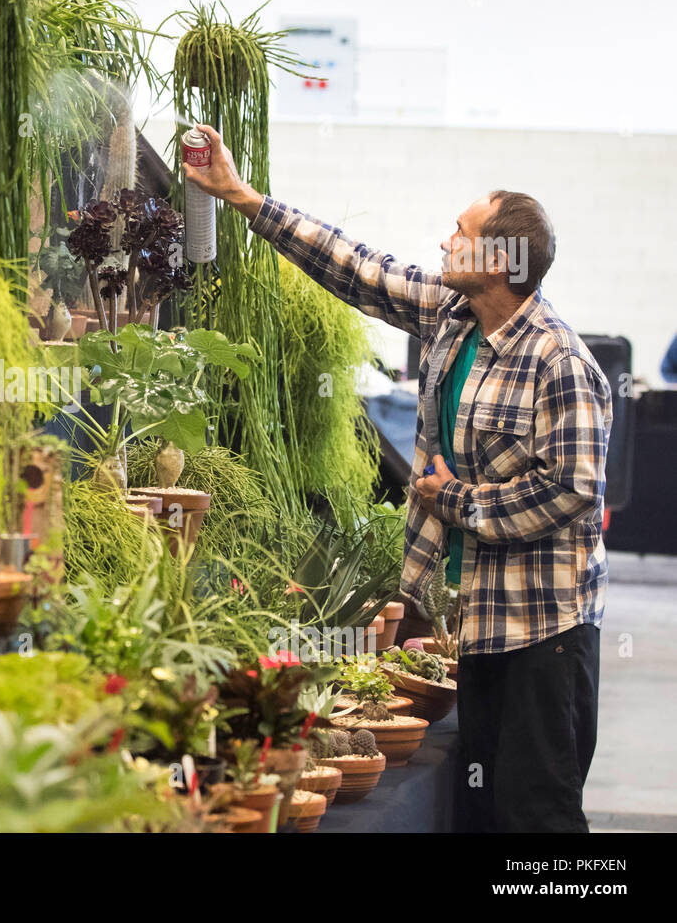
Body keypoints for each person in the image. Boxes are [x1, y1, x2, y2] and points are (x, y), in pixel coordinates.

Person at [183, 123, 612, 833]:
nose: (444, 241)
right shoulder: (454, 318)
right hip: (481, 623)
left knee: (537, 814)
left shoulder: (559, 362)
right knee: (481, 809)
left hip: (545, 633)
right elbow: (356, 266)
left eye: (460, 230)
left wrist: (458, 501)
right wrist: (242, 197)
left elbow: (571, 491)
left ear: (500, 258)